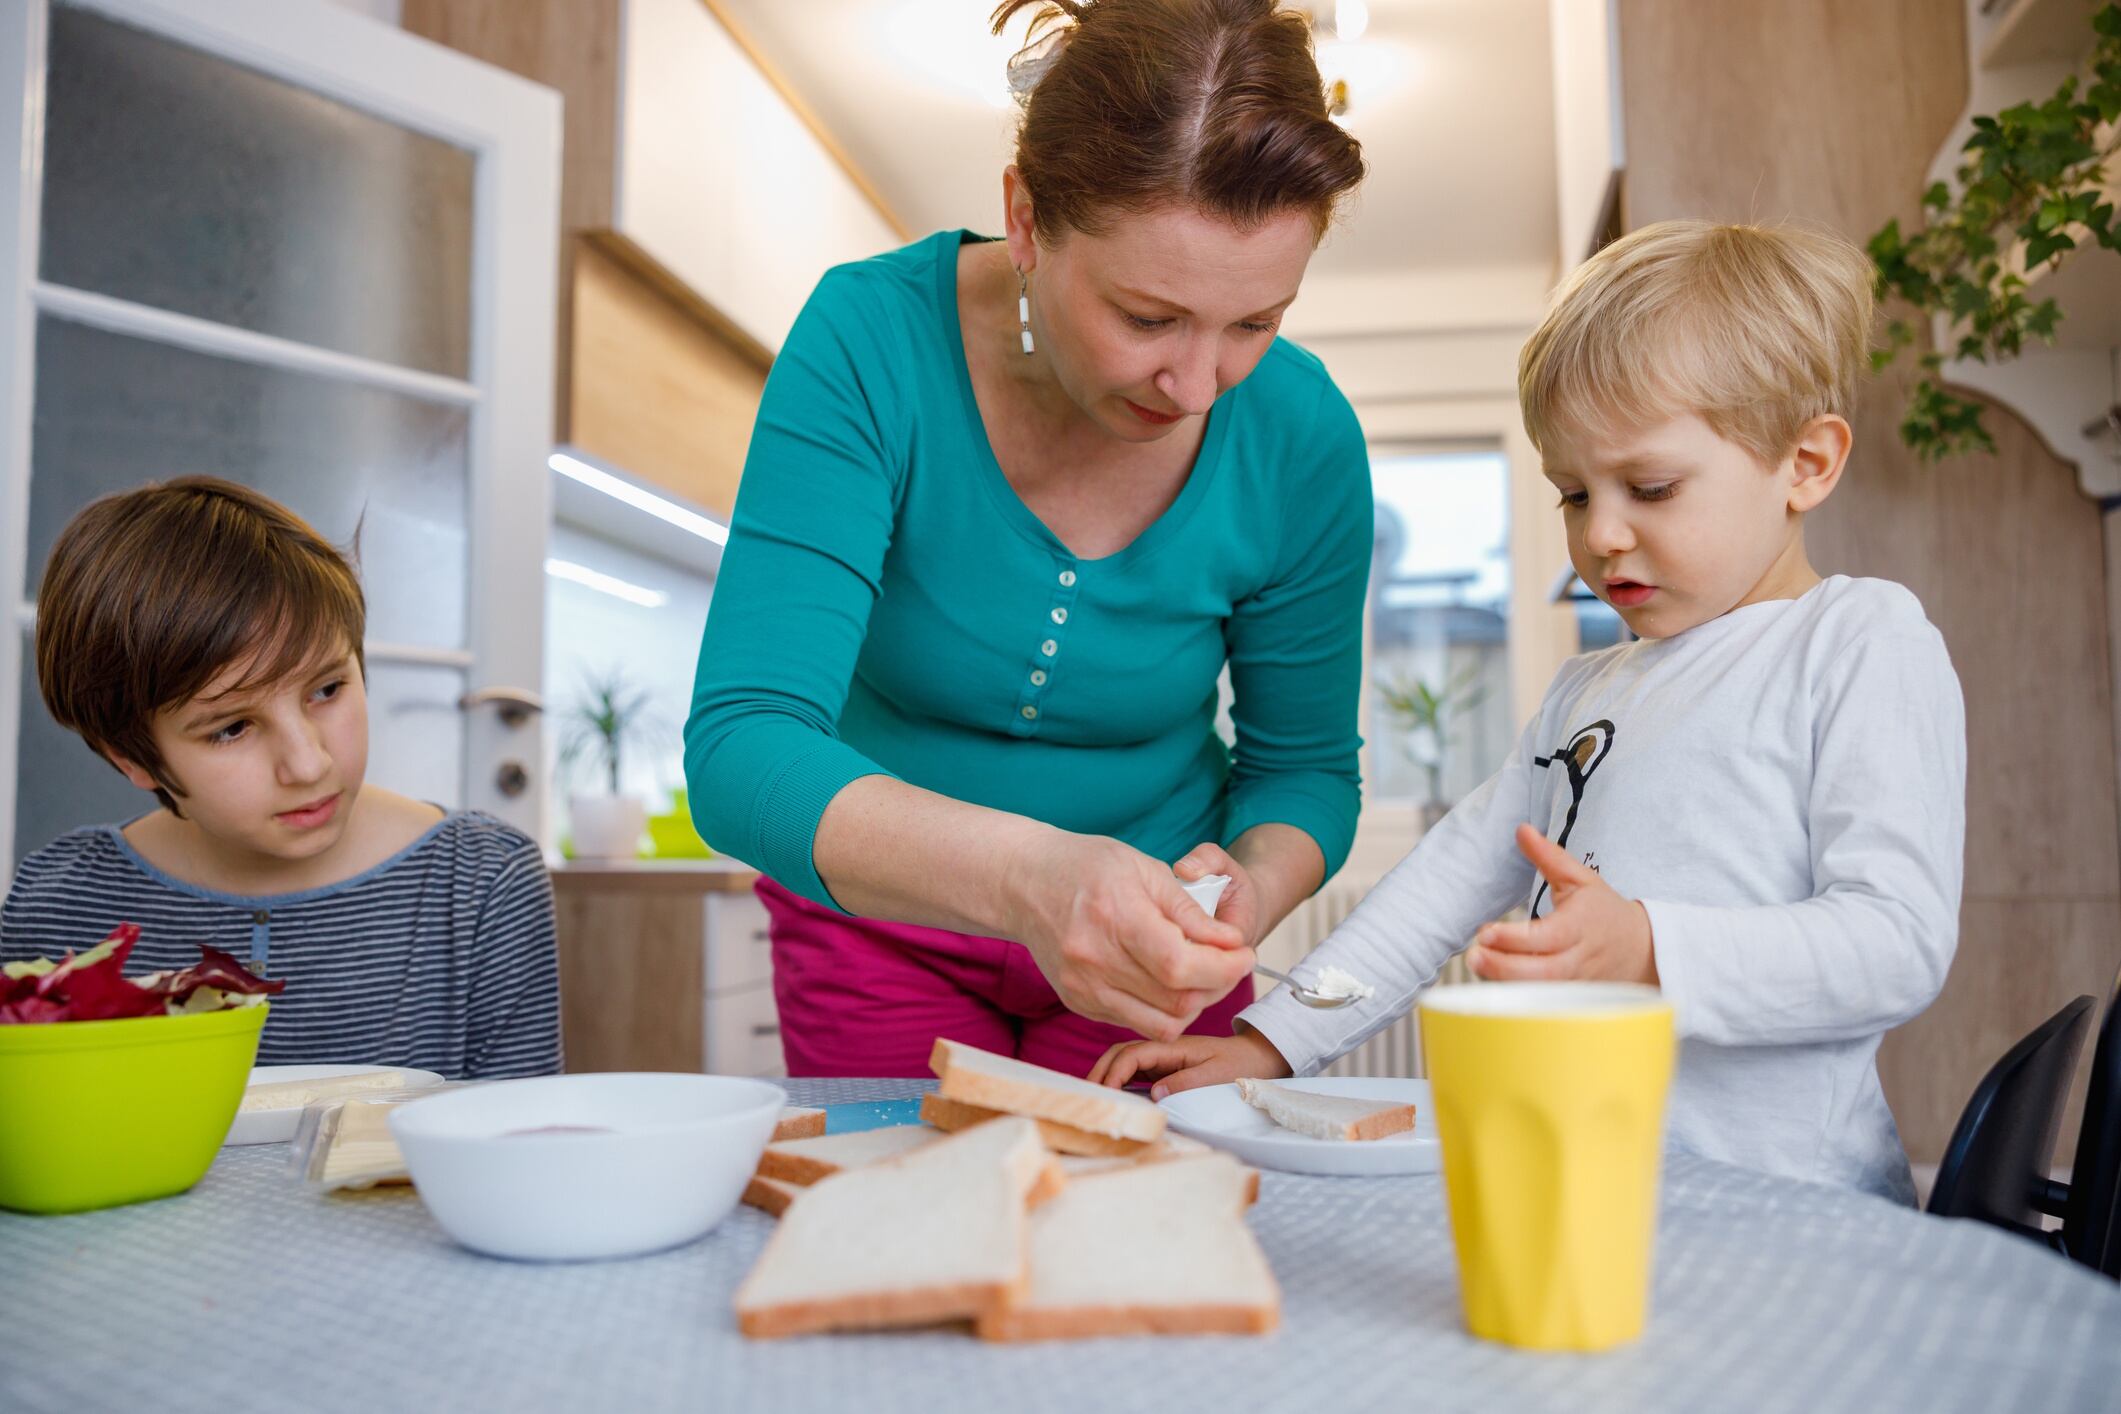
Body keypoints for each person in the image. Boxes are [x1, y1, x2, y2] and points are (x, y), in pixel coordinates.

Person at [1094, 221, 1967, 1202]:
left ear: (1806, 463)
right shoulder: (1585, 694)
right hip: (1584, 1187)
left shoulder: (1857, 640)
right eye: (1571, 493)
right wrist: (1271, 1041)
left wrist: (1647, 946)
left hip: (1786, 1206)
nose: (1601, 533)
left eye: (1651, 486)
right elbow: (1435, 893)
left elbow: (1896, 942)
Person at [685, 0, 1372, 1076]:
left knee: (1133, 1231)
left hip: (1152, 944)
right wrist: (1031, 880)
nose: (1198, 386)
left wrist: (1248, 885)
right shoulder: (869, 340)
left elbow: (1307, 775)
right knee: (905, 1225)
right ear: (1024, 221)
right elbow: (742, 746)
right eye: (1148, 317)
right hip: (877, 925)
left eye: (1255, 323)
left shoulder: (1303, 436)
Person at [2, 477, 561, 1080]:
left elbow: (518, 1157)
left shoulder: (481, 884)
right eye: (233, 728)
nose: (309, 764)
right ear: (131, 758)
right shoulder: (56, 904)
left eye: (327, 689)